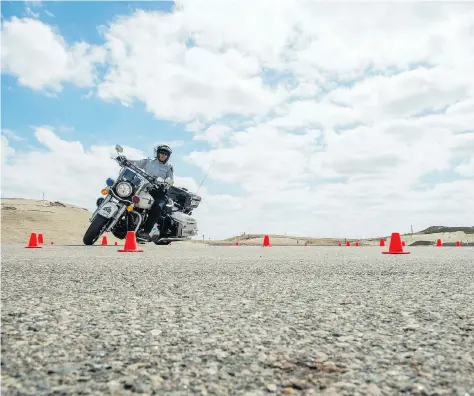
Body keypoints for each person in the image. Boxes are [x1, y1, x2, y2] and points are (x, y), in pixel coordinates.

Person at [128, 144, 174, 242]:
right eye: (162, 152)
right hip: (143, 187)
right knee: (127, 194)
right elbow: (136, 163)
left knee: (158, 206)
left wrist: (166, 182)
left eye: (166, 154)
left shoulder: (169, 167)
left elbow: (170, 179)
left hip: (159, 191)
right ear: (157, 153)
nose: (163, 155)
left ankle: (146, 232)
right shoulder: (148, 161)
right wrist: (125, 160)